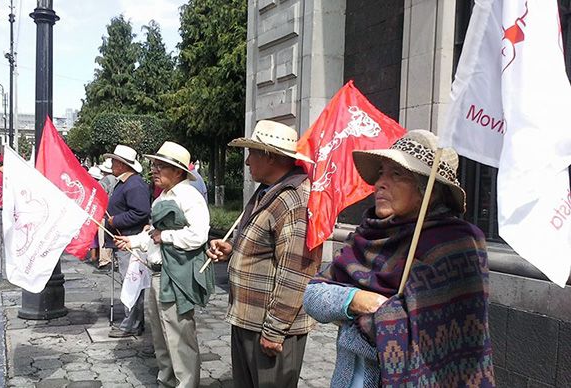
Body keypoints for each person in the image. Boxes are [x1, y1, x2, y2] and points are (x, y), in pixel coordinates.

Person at [302, 130, 495, 387]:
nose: (380, 183)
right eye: (381, 172)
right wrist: (355, 299)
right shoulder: (367, 235)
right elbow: (312, 295)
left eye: (396, 175)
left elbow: (447, 339)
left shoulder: (457, 244)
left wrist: (370, 317)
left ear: (429, 191)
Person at [207, 120, 321, 388]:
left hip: (270, 326)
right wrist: (233, 251)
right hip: (248, 317)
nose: (247, 162)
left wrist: (274, 330)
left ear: (269, 156)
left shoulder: (293, 199)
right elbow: (267, 247)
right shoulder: (268, 191)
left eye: (252, 153)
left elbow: (296, 270)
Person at [114, 141, 213, 388]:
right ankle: (166, 379)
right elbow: (153, 237)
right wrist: (133, 241)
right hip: (157, 274)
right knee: (160, 334)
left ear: (178, 171)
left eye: (161, 166)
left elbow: (198, 236)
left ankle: (185, 383)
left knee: (179, 336)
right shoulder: (162, 198)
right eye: (154, 165)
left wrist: (165, 236)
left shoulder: (190, 196)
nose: (154, 170)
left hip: (176, 275)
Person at [103, 145, 151, 338]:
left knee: (132, 283)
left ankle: (132, 323)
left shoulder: (134, 185)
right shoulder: (125, 183)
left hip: (130, 241)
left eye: (115, 161)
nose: (112, 164)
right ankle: (133, 321)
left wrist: (116, 220)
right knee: (129, 282)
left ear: (123, 164)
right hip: (124, 239)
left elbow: (141, 212)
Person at [96, 158, 116, 271]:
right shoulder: (118, 180)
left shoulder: (106, 180)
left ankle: (104, 261)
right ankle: (111, 260)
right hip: (114, 213)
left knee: (103, 237)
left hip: (105, 213)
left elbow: (99, 193)